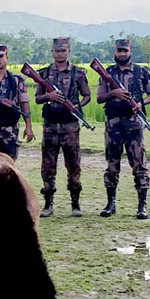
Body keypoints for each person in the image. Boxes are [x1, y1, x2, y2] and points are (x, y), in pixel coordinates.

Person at [97, 38, 150, 219]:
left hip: (134, 125)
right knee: (112, 165)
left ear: (130, 51)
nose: (122, 54)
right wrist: (114, 93)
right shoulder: (108, 73)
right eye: (119, 51)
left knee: (139, 165)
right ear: (115, 52)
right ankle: (110, 204)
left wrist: (141, 103)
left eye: (125, 51)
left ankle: (142, 205)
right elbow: (99, 98)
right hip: (113, 124)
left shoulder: (141, 72)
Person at [34, 37, 91, 217]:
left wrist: (77, 106)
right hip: (50, 127)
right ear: (52, 52)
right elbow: (37, 98)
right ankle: (48, 204)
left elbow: (87, 95)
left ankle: (75, 204)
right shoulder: (43, 74)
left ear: (68, 51)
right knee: (48, 167)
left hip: (70, 127)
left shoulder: (78, 73)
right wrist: (49, 96)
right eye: (57, 51)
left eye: (63, 50)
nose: (60, 53)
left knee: (73, 166)